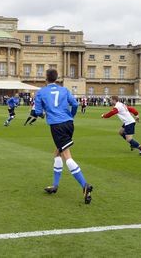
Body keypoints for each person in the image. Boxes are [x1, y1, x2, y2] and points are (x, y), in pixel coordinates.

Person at [34, 69, 93, 204]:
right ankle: (55, 185)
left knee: (67, 155)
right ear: (57, 78)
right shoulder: (64, 90)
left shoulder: (41, 92)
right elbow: (75, 104)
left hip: (57, 126)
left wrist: (42, 114)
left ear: (46, 78)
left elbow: (37, 112)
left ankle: (85, 186)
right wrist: (71, 116)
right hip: (68, 124)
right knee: (57, 153)